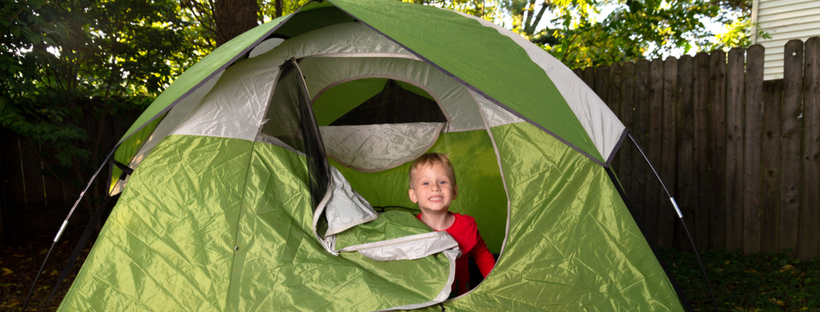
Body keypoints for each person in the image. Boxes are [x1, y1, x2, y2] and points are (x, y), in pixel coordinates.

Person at [408, 153, 496, 296]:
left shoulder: (467, 226)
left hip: (459, 297)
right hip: (424, 298)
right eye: (425, 183)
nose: (435, 187)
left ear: (454, 192)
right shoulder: (409, 229)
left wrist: (495, 283)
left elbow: (481, 255)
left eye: (442, 182)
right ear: (413, 195)